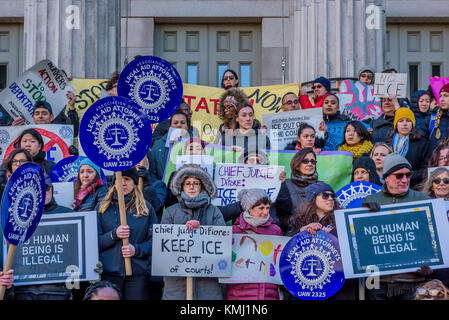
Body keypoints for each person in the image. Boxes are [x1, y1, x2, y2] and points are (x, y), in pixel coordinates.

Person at [362, 153, 432, 300]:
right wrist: (364, 215)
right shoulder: (370, 200)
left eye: (408, 175)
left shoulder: (423, 200)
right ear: (386, 177)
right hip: (378, 280)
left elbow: (431, 239)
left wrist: (432, 264)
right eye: (399, 176)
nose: (405, 180)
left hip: (412, 280)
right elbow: (364, 242)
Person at [161, 164, 225, 300]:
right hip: (176, 286)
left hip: (207, 286)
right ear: (182, 187)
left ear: (202, 186)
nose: (191, 187)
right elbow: (163, 246)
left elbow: (222, 244)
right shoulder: (171, 212)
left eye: (196, 183)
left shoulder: (214, 212)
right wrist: (184, 232)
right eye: (187, 183)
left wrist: (201, 230)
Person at [287, 182, 356, 300]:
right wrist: (302, 231)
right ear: (313, 198)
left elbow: (352, 244)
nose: (330, 199)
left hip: (338, 284)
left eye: (332, 196)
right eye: (325, 195)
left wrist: (329, 233)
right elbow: (287, 248)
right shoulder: (299, 221)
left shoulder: (342, 218)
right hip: (309, 284)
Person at [96, 168, 158, 300]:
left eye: (127, 179)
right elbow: (93, 242)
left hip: (137, 274)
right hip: (109, 274)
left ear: (135, 183)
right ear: (114, 183)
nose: (123, 183)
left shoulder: (146, 209)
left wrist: (136, 249)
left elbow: (156, 243)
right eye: (119, 179)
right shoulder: (102, 208)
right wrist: (113, 235)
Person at [14, 176, 73, 300]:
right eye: (37, 188)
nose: (41, 192)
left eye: (45, 188)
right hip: (25, 290)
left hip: (58, 290)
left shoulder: (69, 215)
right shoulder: (18, 219)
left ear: (51, 189)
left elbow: (74, 255)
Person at [226, 189, 282, 300]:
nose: (265, 212)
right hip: (239, 294)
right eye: (261, 208)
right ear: (249, 209)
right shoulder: (234, 232)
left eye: (267, 208)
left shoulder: (276, 230)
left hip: (268, 294)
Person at [275, 148, 319, 233]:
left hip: (319, 234)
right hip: (294, 234)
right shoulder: (285, 184)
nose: (310, 164)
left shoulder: (322, 186)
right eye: (305, 161)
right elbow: (281, 214)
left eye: (313, 161)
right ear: (297, 165)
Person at [388, 107, 429, 187]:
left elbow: (426, 168)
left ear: (412, 124)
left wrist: (407, 176)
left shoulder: (421, 142)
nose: (405, 124)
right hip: (391, 186)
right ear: (396, 124)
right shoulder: (388, 143)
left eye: (408, 121)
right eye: (401, 121)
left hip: (414, 186)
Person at [151, 110, 195, 180]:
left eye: (183, 123)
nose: (179, 125)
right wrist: (159, 188)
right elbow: (152, 172)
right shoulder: (158, 145)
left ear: (187, 126)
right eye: (175, 123)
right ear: (170, 126)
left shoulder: (196, 145)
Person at [419, 83, 449, 155]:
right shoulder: (430, 120)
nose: (441, 99)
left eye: (446, 96)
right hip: (434, 165)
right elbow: (421, 149)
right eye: (440, 96)